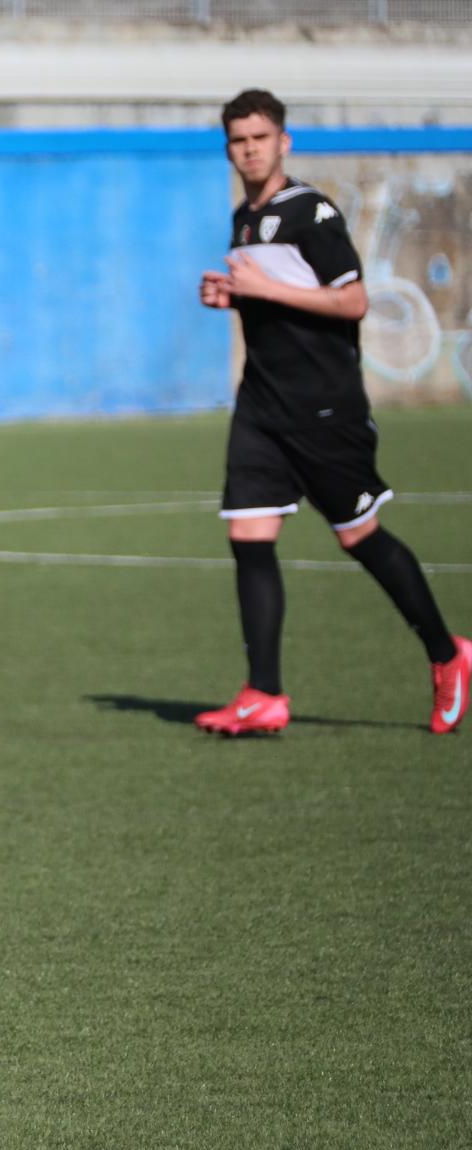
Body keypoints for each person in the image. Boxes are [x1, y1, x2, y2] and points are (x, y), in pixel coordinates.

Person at [197, 89, 469, 736]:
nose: (250, 149)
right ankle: (263, 693)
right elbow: (281, 300)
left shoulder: (311, 212)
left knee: (358, 536)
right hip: (262, 404)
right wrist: (234, 296)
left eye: (261, 138)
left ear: (284, 142)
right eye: (239, 140)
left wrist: (262, 287)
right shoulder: (244, 218)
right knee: (248, 536)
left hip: (323, 405)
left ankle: (448, 653)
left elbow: (352, 302)